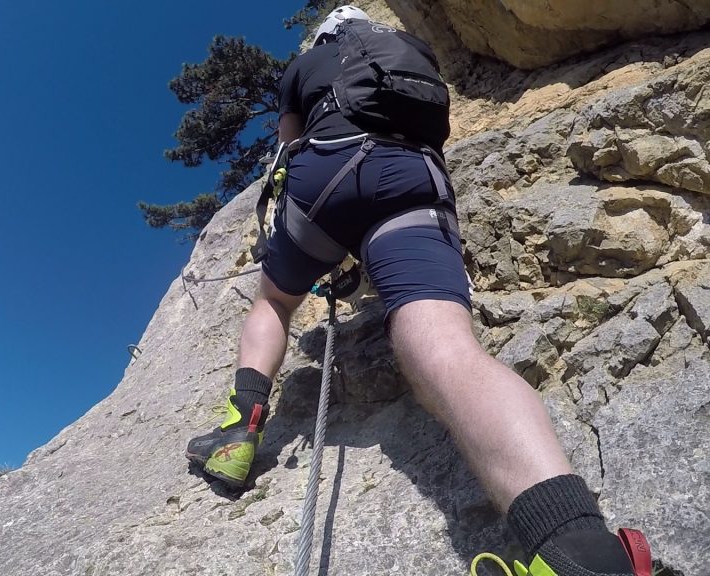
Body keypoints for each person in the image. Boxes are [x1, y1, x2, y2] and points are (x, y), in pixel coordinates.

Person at [185, 6, 640, 576]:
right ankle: (577, 548)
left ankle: (239, 429)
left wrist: (324, 239)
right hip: (410, 171)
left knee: (274, 301)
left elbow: (288, 146)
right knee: (448, 347)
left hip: (322, 173)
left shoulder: (308, 64)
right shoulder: (409, 50)